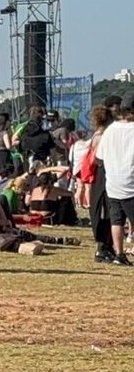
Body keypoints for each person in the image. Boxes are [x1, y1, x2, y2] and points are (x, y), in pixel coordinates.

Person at [0, 176, 78, 251]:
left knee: (4, 215)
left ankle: (53, 240)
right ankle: (55, 240)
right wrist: (6, 222)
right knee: (18, 234)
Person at [95, 96, 134, 265]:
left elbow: (99, 158)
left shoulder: (110, 130)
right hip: (131, 182)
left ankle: (119, 254)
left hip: (113, 183)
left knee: (116, 220)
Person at [82, 101, 117, 262]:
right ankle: (104, 247)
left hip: (95, 177)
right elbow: (97, 158)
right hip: (102, 174)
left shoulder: (95, 136)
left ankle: (104, 246)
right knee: (106, 210)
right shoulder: (103, 136)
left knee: (101, 210)